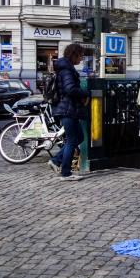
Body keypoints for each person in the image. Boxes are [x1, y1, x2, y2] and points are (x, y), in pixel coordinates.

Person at [49, 43, 90, 181]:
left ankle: (56, 160)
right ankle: (65, 172)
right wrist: (86, 92)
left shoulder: (66, 68)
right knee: (73, 140)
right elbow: (70, 89)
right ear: (74, 55)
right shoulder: (67, 70)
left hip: (67, 109)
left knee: (79, 137)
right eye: (81, 55)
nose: (82, 59)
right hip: (67, 109)